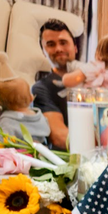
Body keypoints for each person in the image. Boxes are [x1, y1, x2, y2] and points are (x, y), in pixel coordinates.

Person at [33, 19, 80, 149]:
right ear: (44, 51)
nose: (58, 48)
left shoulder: (94, 80)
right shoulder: (41, 88)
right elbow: (60, 138)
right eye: (51, 44)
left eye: (63, 42)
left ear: (75, 48)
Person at [0, 78, 51, 147]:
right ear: (31, 97)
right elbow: (47, 131)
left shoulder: (7, 121)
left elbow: (1, 140)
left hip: (21, 154)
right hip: (43, 152)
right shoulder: (39, 116)